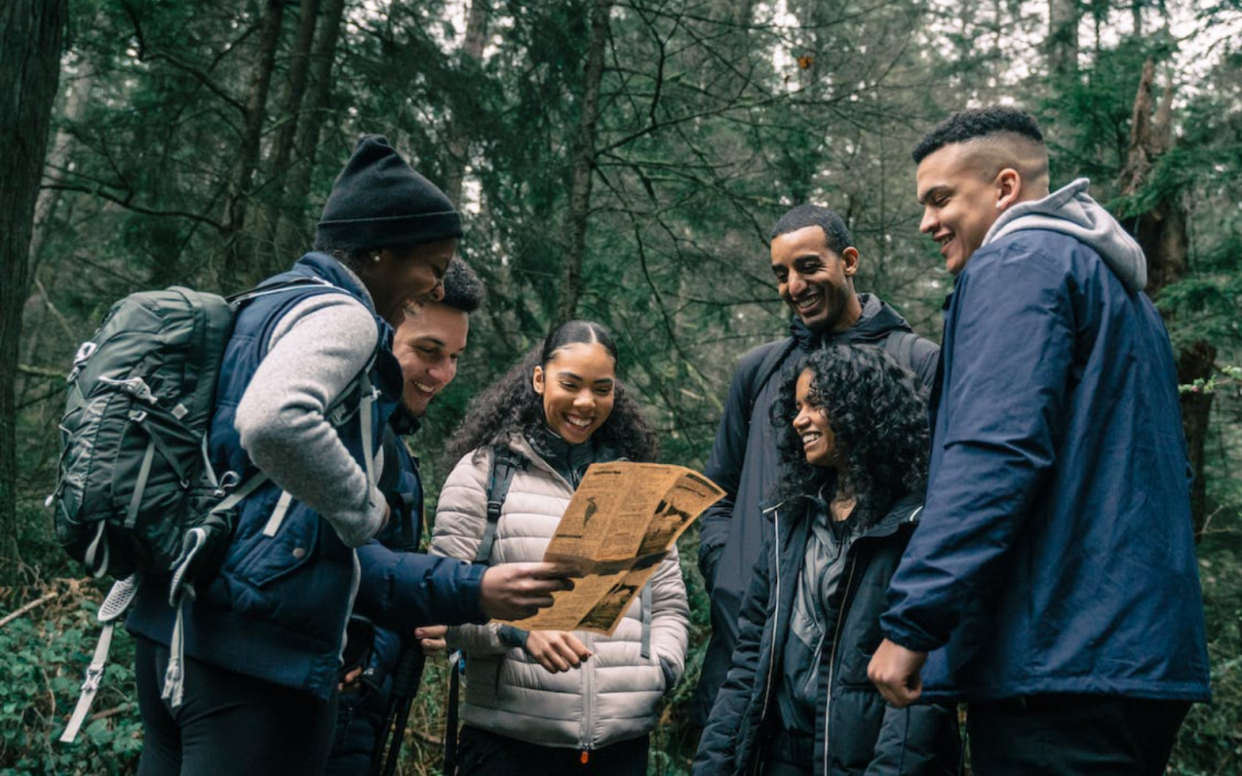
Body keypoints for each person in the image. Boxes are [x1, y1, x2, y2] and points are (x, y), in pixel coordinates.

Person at [126, 135, 571, 776]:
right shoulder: (348, 315)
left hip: (176, 631)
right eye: (433, 266)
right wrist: (362, 507)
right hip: (256, 659)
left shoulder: (265, 303)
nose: (435, 284)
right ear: (380, 251)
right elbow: (272, 420)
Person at [867, 107, 1211, 773]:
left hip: (1059, 661)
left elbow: (995, 452)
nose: (927, 223)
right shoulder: (1123, 294)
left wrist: (913, 623)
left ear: (1003, 188)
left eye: (941, 199)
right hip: (1134, 661)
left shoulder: (1017, 265)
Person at [694, 205, 940, 724]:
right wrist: (728, 573)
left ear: (849, 260)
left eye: (808, 267)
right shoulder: (759, 370)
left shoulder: (916, 361)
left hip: (859, 662)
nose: (794, 285)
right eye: (781, 274)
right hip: (749, 648)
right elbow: (718, 493)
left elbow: (937, 502)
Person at [430, 320, 690, 775]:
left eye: (601, 388)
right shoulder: (484, 475)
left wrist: (662, 670)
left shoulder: (638, 486)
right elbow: (439, 607)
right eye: (570, 384)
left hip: (620, 748)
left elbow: (669, 604)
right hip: (508, 748)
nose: (585, 403)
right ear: (539, 379)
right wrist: (516, 633)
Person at [695, 345, 958, 776]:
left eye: (816, 403)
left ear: (862, 407)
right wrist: (713, 766)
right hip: (779, 756)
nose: (799, 420)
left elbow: (923, 690)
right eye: (797, 407)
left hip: (866, 758)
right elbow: (748, 664)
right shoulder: (790, 522)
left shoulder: (916, 526)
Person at [325, 257, 484, 775]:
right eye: (427, 351)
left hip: (362, 702)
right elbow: (339, 559)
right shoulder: (342, 431)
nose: (442, 375)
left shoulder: (389, 438)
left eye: (454, 357)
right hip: (326, 704)